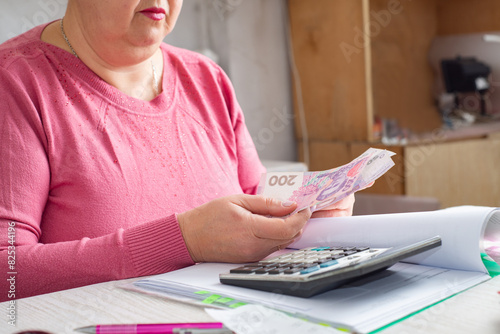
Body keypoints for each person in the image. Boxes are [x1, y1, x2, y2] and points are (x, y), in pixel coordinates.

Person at [0, 0, 355, 301]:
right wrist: (184, 240)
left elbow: (253, 200)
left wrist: (306, 211)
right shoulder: (14, 83)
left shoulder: (206, 78)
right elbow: (7, 271)